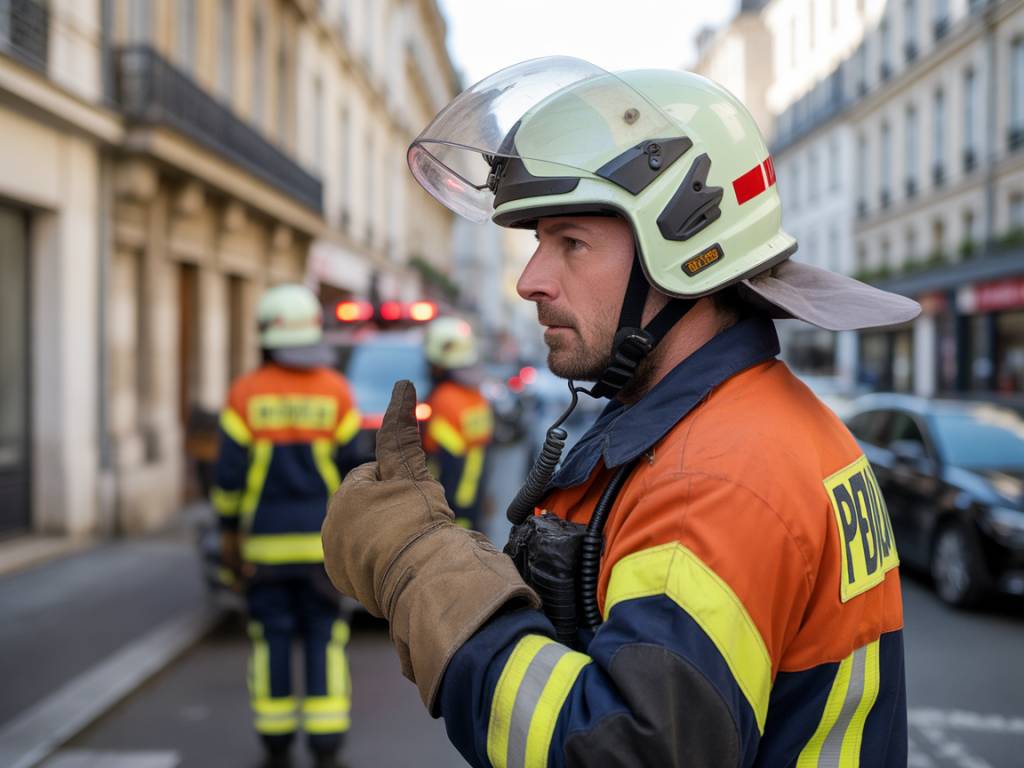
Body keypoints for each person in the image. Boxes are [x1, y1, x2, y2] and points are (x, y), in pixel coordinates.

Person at [321, 60, 919, 767]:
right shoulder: (744, 422)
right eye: (537, 240)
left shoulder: (715, 477)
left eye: (570, 242)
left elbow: (621, 749)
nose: (530, 280)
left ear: (685, 250)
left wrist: (421, 569)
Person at [212, 283, 360, 768]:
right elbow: (354, 473)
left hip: (264, 551)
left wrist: (229, 537)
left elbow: (229, 480)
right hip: (323, 554)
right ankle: (326, 742)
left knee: (270, 639)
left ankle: (276, 743)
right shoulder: (336, 391)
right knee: (325, 638)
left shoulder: (245, 393)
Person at [421, 316, 494, 529]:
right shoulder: (476, 396)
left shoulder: (444, 399)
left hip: (451, 504)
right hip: (473, 499)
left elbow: (447, 463)